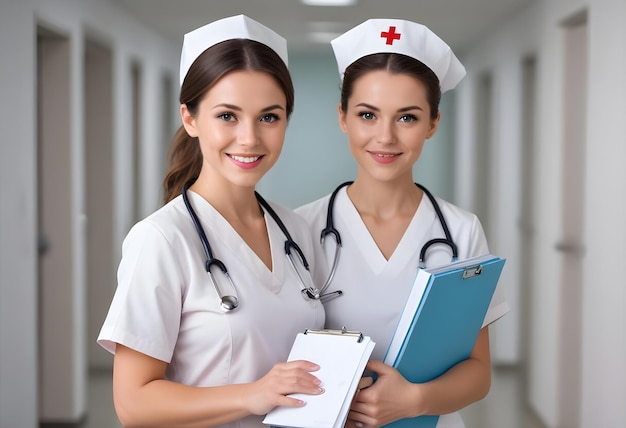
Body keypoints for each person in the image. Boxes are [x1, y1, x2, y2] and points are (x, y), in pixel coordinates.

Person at [97, 15, 325, 428]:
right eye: (227, 116)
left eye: (269, 117)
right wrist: (254, 394)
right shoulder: (162, 239)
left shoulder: (295, 229)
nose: (250, 138)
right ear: (190, 118)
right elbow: (132, 404)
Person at [296, 19, 510, 428]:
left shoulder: (460, 231)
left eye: (407, 118)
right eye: (367, 115)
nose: (385, 137)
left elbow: (479, 373)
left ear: (432, 123)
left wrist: (414, 400)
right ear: (343, 117)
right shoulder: (298, 231)